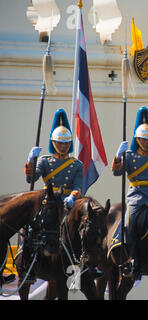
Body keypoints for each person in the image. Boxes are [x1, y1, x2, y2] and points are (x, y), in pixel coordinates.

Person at [24, 108, 84, 281]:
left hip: (67, 202)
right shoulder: (44, 161)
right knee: (28, 228)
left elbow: (78, 185)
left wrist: (72, 196)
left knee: (85, 230)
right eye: (60, 143)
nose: (63, 146)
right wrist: (30, 161)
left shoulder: (76, 164)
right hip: (47, 201)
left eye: (66, 143)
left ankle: (84, 268)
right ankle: (26, 264)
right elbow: (31, 179)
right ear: (53, 142)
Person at [112, 106, 148, 277]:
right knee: (129, 222)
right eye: (144, 139)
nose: (147, 142)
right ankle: (131, 258)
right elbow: (117, 173)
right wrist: (118, 159)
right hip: (136, 195)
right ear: (137, 139)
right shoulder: (129, 156)